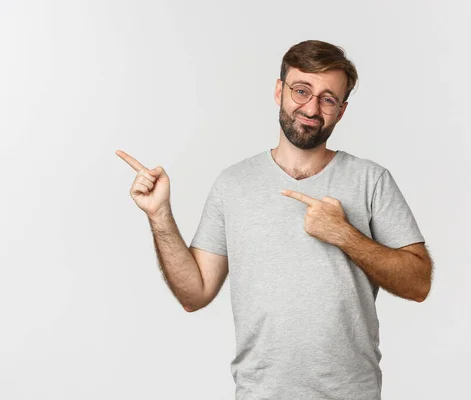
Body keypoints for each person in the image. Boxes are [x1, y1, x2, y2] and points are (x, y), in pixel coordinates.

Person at [116, 39, 432, 400]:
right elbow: (195, 293)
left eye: (327, 98)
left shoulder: (370, 180)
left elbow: (418, 284)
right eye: (301, 91)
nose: (311, 108)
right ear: (279, 90)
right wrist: (159, 215)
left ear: (341, 111)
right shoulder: (233, 184)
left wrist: (346, 235)